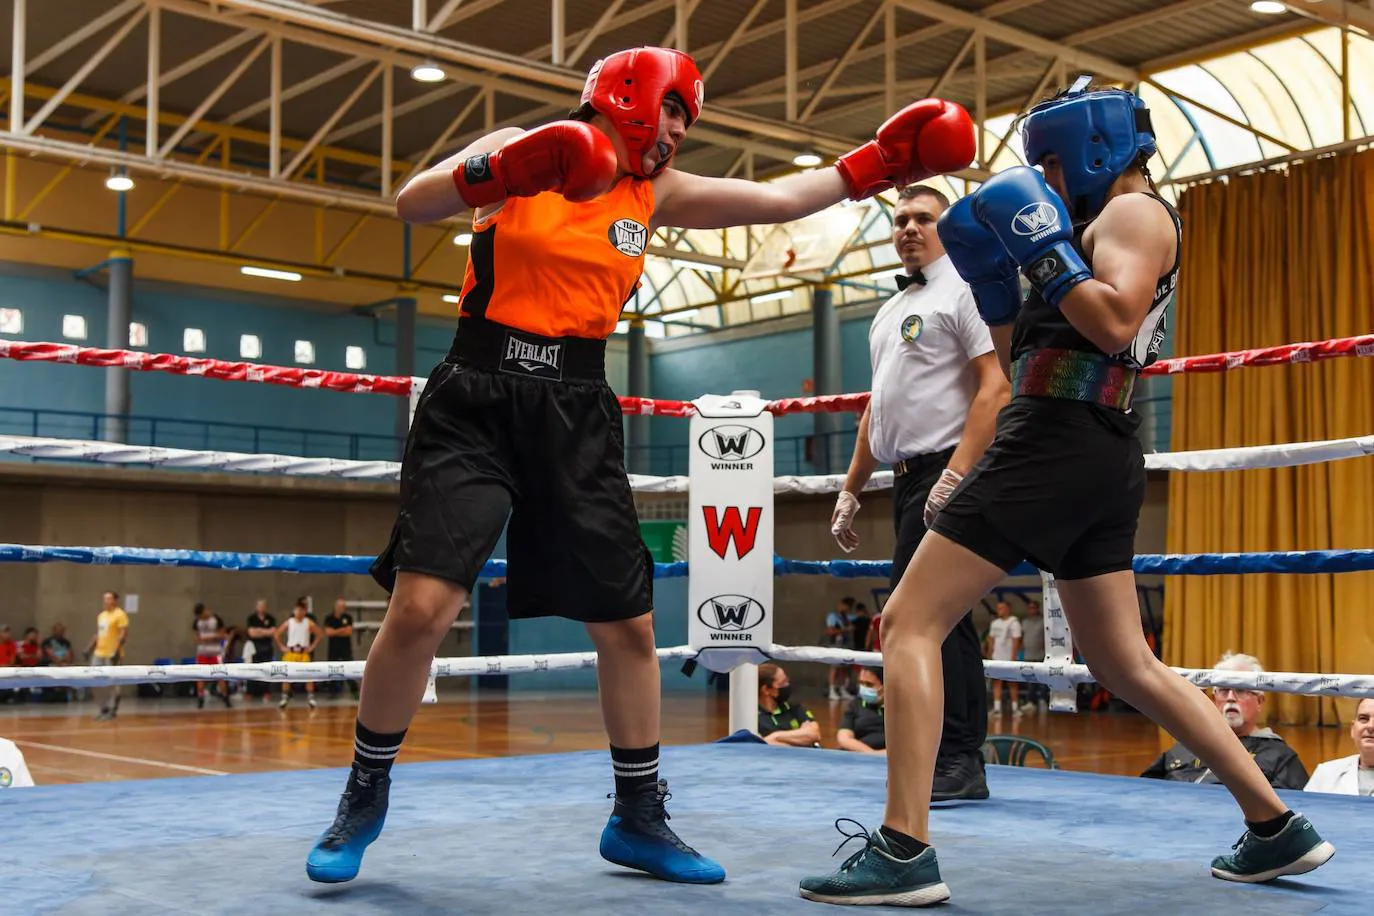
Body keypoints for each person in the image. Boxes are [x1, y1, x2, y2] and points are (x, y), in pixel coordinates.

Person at [304, 44, 976, 887]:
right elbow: (411, 203)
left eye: (687, 122)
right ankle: (364, 792)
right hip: (476, 395)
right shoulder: (525, 146)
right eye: (673, 112)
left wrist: (883, 162)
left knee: (628, 624)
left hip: (578, 406)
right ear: (628, 94)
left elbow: (775, 199)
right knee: (423, 607)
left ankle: (637, 816)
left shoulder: (652, 192)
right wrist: (508, 165)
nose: (677, 133)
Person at [800, 78, 1333, 907]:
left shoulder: (1134, 212)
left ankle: (904, 849)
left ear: (1093, 141)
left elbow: (1115, 323)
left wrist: (1041, 247)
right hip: (1093, 441)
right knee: (1124, 660)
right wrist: (997, 285)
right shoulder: (1090, 227)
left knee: (908, 619)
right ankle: (1275, 826)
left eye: (1050, 155)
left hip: (1054, 440)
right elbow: (1035, 350)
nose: (1045, 172)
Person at [830, 183, 1008, 797]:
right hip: (906, 481)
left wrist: (958, 473)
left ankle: (961, 759)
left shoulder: (965, 290)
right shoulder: (887, 313)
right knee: (915, 622)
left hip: (948, 472)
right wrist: (850, 490)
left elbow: (996, 388)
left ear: (948, 226)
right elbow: (875, 412)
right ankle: (940, 757)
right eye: (900, 218)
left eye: (923, 218)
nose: (908, 227)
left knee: (938, 619)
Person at [1140, 653, 1308, 789]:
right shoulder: (1189, 744)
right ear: (1214, 699)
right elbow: (1145, 789)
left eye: (1241, 690)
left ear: (1260, 701)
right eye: (1224, 690)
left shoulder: (1280, 757)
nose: (1230, 698)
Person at [1304, 698, 1374, 796]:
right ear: (1353, 729)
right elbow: (1306, 809)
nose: (1371, 726)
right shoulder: (1325, 772)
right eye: (1363, 719)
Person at [86, 591, 128, 722]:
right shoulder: (102, 616)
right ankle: (102, 708)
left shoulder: (120, 615)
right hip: (99, 652)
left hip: (112, 653)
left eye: (108, 599)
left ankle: (112, 709)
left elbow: (123, 634)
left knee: (113, 683)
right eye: (104, 599)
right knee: (93, 680)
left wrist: (116, 651)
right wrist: (89, 647)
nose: (105, 601)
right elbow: (99, 633)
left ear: (115, 600)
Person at [757, 663, 821, 748]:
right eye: (783, 683)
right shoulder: (752, 716)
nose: (787, 685)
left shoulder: (794, 707)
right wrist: (801, 737)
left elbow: (814, 734)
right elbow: (761, 746)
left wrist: (776, 736)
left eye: (787, 681)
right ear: (766, 690)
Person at [275, 599, 321, 710]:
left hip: (303, 653)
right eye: (297, 609)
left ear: (305, 611)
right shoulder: (289, 622)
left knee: (309, 675)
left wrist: (312, 647)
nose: (299, 612)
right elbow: (277, 634)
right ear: (294, 610)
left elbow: (319, 634)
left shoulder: (308, 622)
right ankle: (285, 696)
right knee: (285, 674)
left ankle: (311, 697)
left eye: (301, 610)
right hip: (291, 652)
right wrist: (282, 646)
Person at [985, 601, 1022, 716]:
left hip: (1009, 658)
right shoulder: (994, 623)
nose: (999, 610)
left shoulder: (1014, 623)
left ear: (1008, 609)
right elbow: (991, 639)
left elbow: (1016, 641)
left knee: (1012, 683)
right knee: (997, 682)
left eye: (1001, 608)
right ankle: (997, 709)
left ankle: (1015, 709)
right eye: (998, 608)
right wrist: (990, 654)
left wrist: (1013, 657)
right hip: (997, 657)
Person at [837, 668, 887, 754]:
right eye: (861, 683)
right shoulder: (855, 705)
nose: (864, 688)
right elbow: (844, 738)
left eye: (869, 684)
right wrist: (872, 754)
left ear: (885, 685)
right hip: (859, 756)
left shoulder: (898, 709)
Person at [192, 604, 232, 709]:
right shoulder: (197, 622)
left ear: (205, 611)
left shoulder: (216, 620)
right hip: (202, 652)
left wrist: (209, 638)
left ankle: (225, 696)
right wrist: (208, 638)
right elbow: (196, 638)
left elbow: (223, 635)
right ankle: (200, 697)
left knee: (221, 675)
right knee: (200, 676)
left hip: (215, 652)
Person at [323, 598, 358, 698]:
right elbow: (328, 632)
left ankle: (354, 691)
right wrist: (342, 630)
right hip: (333, 648)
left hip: (345, 648)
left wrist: (335, 631)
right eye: (340, 607)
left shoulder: (348, 617)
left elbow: (349, 632)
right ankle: (332, 692)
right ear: (335, 607)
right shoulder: (329, 618)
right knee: (332, 669)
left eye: (343, 607)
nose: (342, 608)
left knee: (349, 669)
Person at [245, 599, 278, 702]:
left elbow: (273, 632)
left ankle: (266, 692)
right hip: (254, 648)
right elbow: (251, 633)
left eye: (263, 606)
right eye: (260, 606)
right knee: (252, 669)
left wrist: (259, 631)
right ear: (256, 607)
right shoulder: (251, 618)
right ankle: (250, 692)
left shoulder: (271, 618)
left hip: (267, 647)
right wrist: (265, 631)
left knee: (267, 670)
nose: (261, 608)